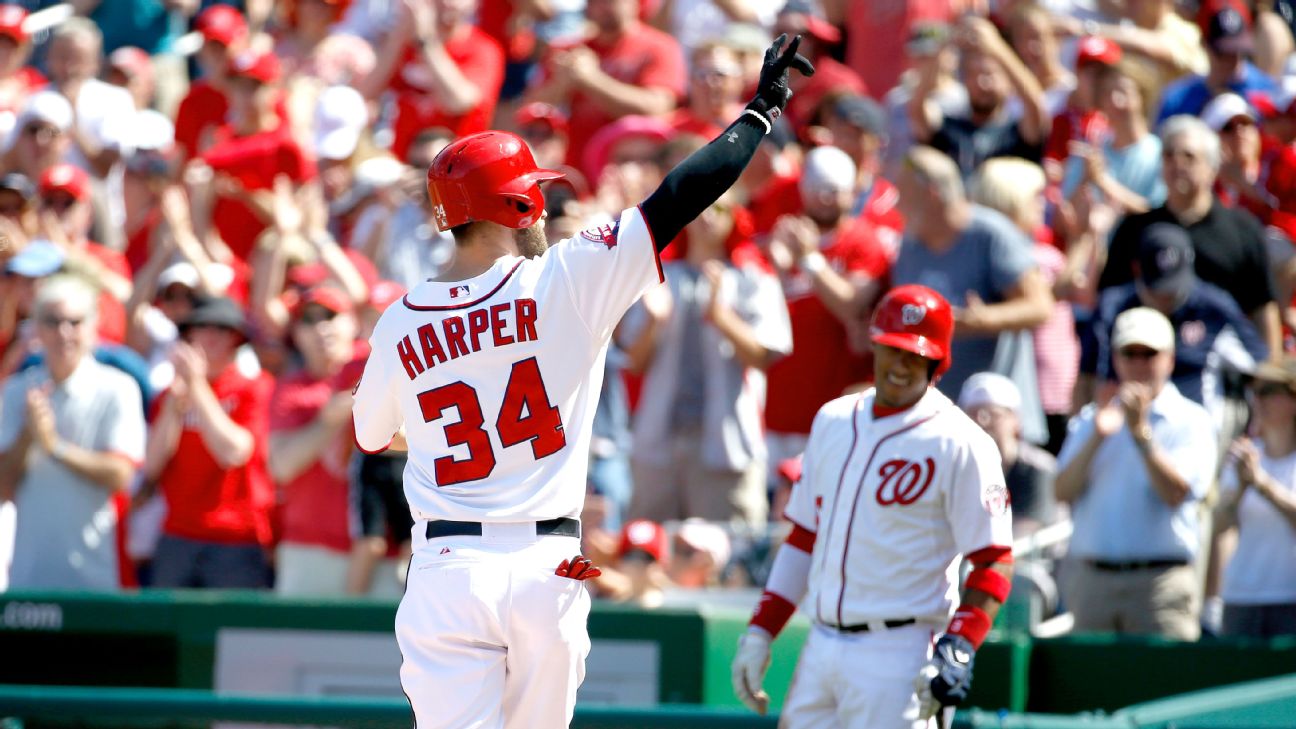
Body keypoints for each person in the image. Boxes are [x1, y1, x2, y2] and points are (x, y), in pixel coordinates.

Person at [351, 35, 814, 728]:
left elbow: (373, 434)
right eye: (532, 194)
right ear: (516, 206)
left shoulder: (398, 322)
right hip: (547, 562)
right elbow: (680, 195)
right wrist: (760, 112)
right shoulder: (567, 278)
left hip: (447, 563)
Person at [730, 285, 1015, 728]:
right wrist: (760, 630)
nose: (901, 365)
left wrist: (960, 644)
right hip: (822, 642)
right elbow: (805, 535)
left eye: (915, 355)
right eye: (893, 349)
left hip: (902, 649)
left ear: (937, 361)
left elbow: (994, 560)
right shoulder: (833, 419)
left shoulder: (962, 442)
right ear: (875, 344)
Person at [1056, 307, 1217, 639]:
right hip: (1093, 582)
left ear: (1170, 359)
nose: (1140, 364)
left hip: (1159, 585)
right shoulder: (1091, 420)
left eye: (1150, 354)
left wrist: (1140, 432)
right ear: (1116, 359)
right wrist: (1098, 436)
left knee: (1167, 687)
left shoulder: (1191, 420)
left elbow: (1175, 494)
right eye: (1131, 354)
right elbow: (1062, 491)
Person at [0, 277, 145, 590]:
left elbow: (120, 475)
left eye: (74, 322)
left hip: (101, 577)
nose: (64, 333)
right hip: (30, 578)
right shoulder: (16, 392)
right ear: (37, 328)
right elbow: (3, 486)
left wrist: (55, 448)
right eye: (53, 321)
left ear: (92, 326)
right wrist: (28, 435)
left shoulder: (118, 389)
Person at [1099, 115, 1282, 358]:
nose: (1177, 164)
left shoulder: (1242, 229)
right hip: (1144, 363)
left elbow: (1262, 308)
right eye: (1169, 155)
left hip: (1220, 363)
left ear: (1212, 167)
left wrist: (1270, 373)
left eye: (1189, 156)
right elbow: (1109, 302)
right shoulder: (1136, 229)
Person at [1215, 356, 1296, 637]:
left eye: (1268, 391)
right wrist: (1239, 488)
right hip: (1241, 597)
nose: (1257, 400)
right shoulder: (1243, 455)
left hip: (1290, 598)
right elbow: (1219, 525)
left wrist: (1261, 484)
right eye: (1255, 391)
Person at [959, 372, 1058, 538]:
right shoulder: (956, 468)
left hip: (1032, 560)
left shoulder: (1038, 469)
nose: (983, 422)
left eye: (994, 414)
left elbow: (1023, 534)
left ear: (1015, 420)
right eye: (974, 414)